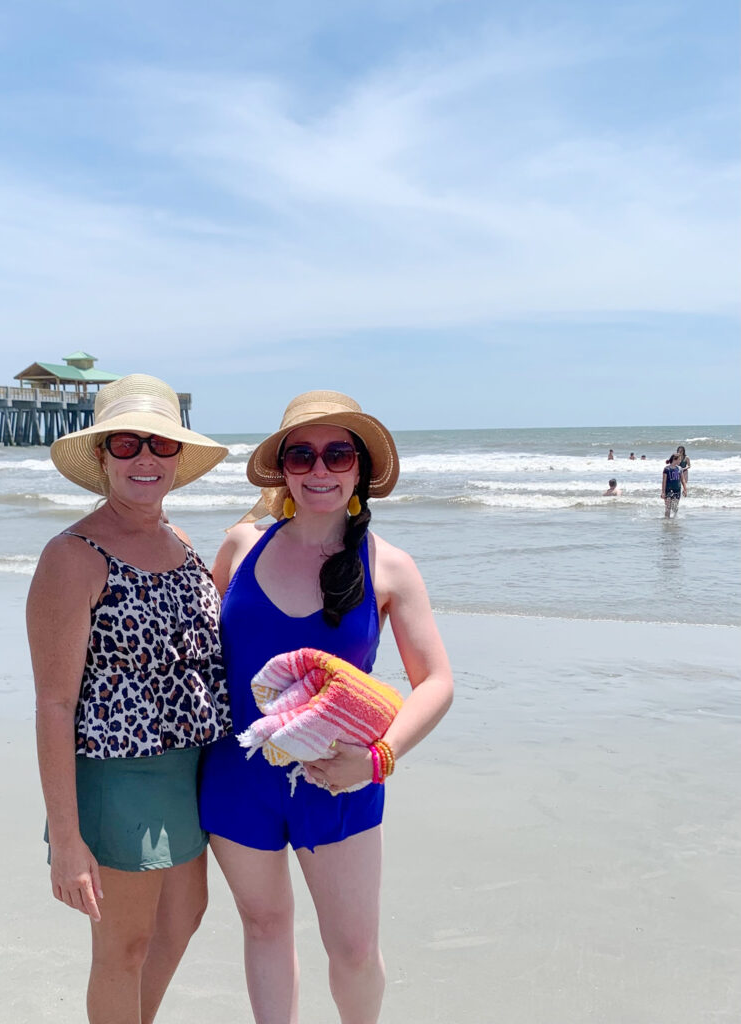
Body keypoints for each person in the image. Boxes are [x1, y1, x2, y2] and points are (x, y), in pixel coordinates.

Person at [199, 390, 454, 1024]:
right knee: (263, 925)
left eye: (338, 454)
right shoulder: (240, 546)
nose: (320, 469)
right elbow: (192, 655)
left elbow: (437, 682)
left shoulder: (388, 566)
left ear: (360, 469)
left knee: (354, 950)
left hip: (339, 779)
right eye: (303, 454)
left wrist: (377, 759)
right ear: (282, 468)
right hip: (236, 777)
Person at [26, 374, 231, 1024]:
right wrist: (66, 835)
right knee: (124, 944)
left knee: (183, 920)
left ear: (177, 457)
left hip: (189, 772)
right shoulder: (73, 556)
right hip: (117, 778)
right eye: (127, 443)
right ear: (104, 457)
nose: (146, 458)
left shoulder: (187, 545)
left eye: (161, 445)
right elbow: (54, 704)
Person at [661, 452, 686, 518]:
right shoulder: (666, 469)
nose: (680, 461)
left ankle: (674, 521)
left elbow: (683, 480)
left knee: (675, 507)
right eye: (679, 459)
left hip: (677, 490)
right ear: (675, 459)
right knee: (668, 507)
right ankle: (667, 521)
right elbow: (664, 481)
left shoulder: (680, 468)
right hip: (668, 490)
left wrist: (685, 489)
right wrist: (663, 492)